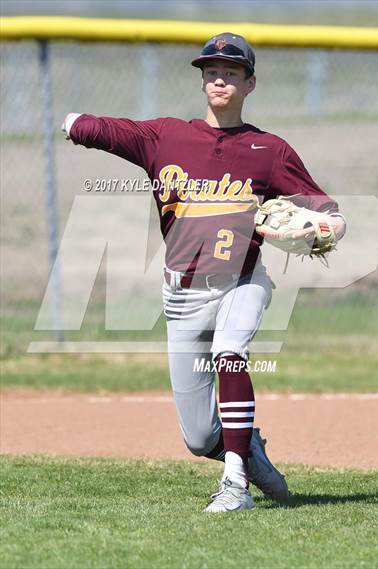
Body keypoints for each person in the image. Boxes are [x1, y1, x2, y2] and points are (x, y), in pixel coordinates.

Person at [62, 32, 346, 513]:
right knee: (197, 436)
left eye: (231, 72)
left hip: (242, 280)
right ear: (202, 81)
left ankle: (236, 485)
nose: (219, 79)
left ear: (250, 83)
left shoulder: (268, 149)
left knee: (229, 351)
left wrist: (332, 223)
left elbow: (323, 206)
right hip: (182, 295)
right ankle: (246, 448)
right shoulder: (166, 137)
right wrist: (74, 123)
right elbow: (110, 130)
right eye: (211, 71)